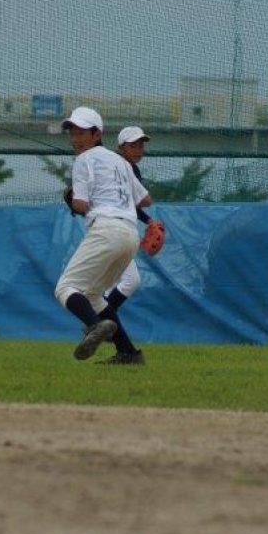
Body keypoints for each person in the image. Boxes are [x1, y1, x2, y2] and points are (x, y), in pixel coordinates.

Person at [55, 106, 151, 360]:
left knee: (66, 287)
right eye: (72, 133)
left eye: (81, 133)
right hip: (130, 234)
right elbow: (145, 200)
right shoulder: (121, 161)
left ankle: (95, 326)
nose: (75, 139)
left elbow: (81, 205)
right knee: (94, 296)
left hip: (106, 230)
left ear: (97, 134)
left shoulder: (83, 160)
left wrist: (72, 200)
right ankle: (128, 353)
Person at [101, 125, 157, 365]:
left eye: (141, 145)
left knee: (111, 285)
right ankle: (100, 322)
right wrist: (149, 220)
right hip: (112, 231)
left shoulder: (126, 167)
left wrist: (148, 221)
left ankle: (105, 328)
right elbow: (136, 202)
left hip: (113, 231)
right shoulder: (125, 168)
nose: (138, 149)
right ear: (121, 148)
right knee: (128, 281)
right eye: (133, 145)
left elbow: (129, 204)